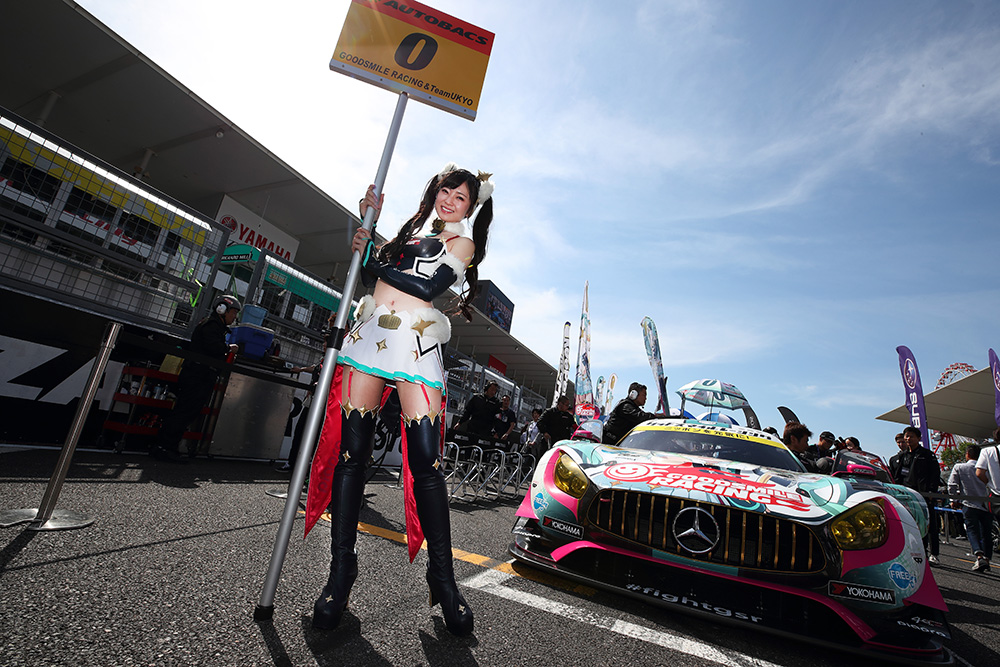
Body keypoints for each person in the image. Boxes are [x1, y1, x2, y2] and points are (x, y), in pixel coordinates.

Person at [304, 163, 494, 637]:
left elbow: (427, 287)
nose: (450, 200)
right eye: (447, 190)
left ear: (471, 207)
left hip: (417, 344)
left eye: (461, 197)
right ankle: (341, 573)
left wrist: (375, 259)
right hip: (370, 337)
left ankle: (442, 579)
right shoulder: (406, 235)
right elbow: (370, 275)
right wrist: (365, 229)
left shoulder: (462, 244)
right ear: (435, 190)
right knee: (352, 456)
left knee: (427, 463)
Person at [153, 295, 240, 463]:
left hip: (199, 374)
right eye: (233, 312)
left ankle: (165, 446)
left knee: (185, 411)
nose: (234, 316)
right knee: (184, 411)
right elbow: (213, 347)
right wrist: (228, 348)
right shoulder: (211, 325)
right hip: (198, 375)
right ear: (222, 309)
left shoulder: (215, 326)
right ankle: (166, 447)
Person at [895, 426, 942, 565]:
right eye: (906, 436)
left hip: (924, 496)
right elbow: (898, 476)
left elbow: (935, 474)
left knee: (929, 526)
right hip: (906, 496)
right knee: (909, 525)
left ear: (919, 438)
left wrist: (931, 491)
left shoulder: (927, 455)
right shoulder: (902, 456)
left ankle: (934, 554)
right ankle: (917, 552)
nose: (908, 439)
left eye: (911, 436)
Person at [948, 444, 992, 572]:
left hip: (969, 503)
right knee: (987, 532)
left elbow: (952, 484)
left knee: (972, 530)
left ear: (967, 454)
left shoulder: (960, 467)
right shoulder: (987, 468)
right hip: (987, 504)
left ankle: (979, 555)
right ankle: (987, 558)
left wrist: (953, 500)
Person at [533, 395, 576, 459]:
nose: (568, 407)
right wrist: (545, 432)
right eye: (566, 405)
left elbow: (574, 426)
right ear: (560, 404)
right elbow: (540, 422)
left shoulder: (569, 416)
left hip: (563, 444)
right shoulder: (549, 412)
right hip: (549, 442)